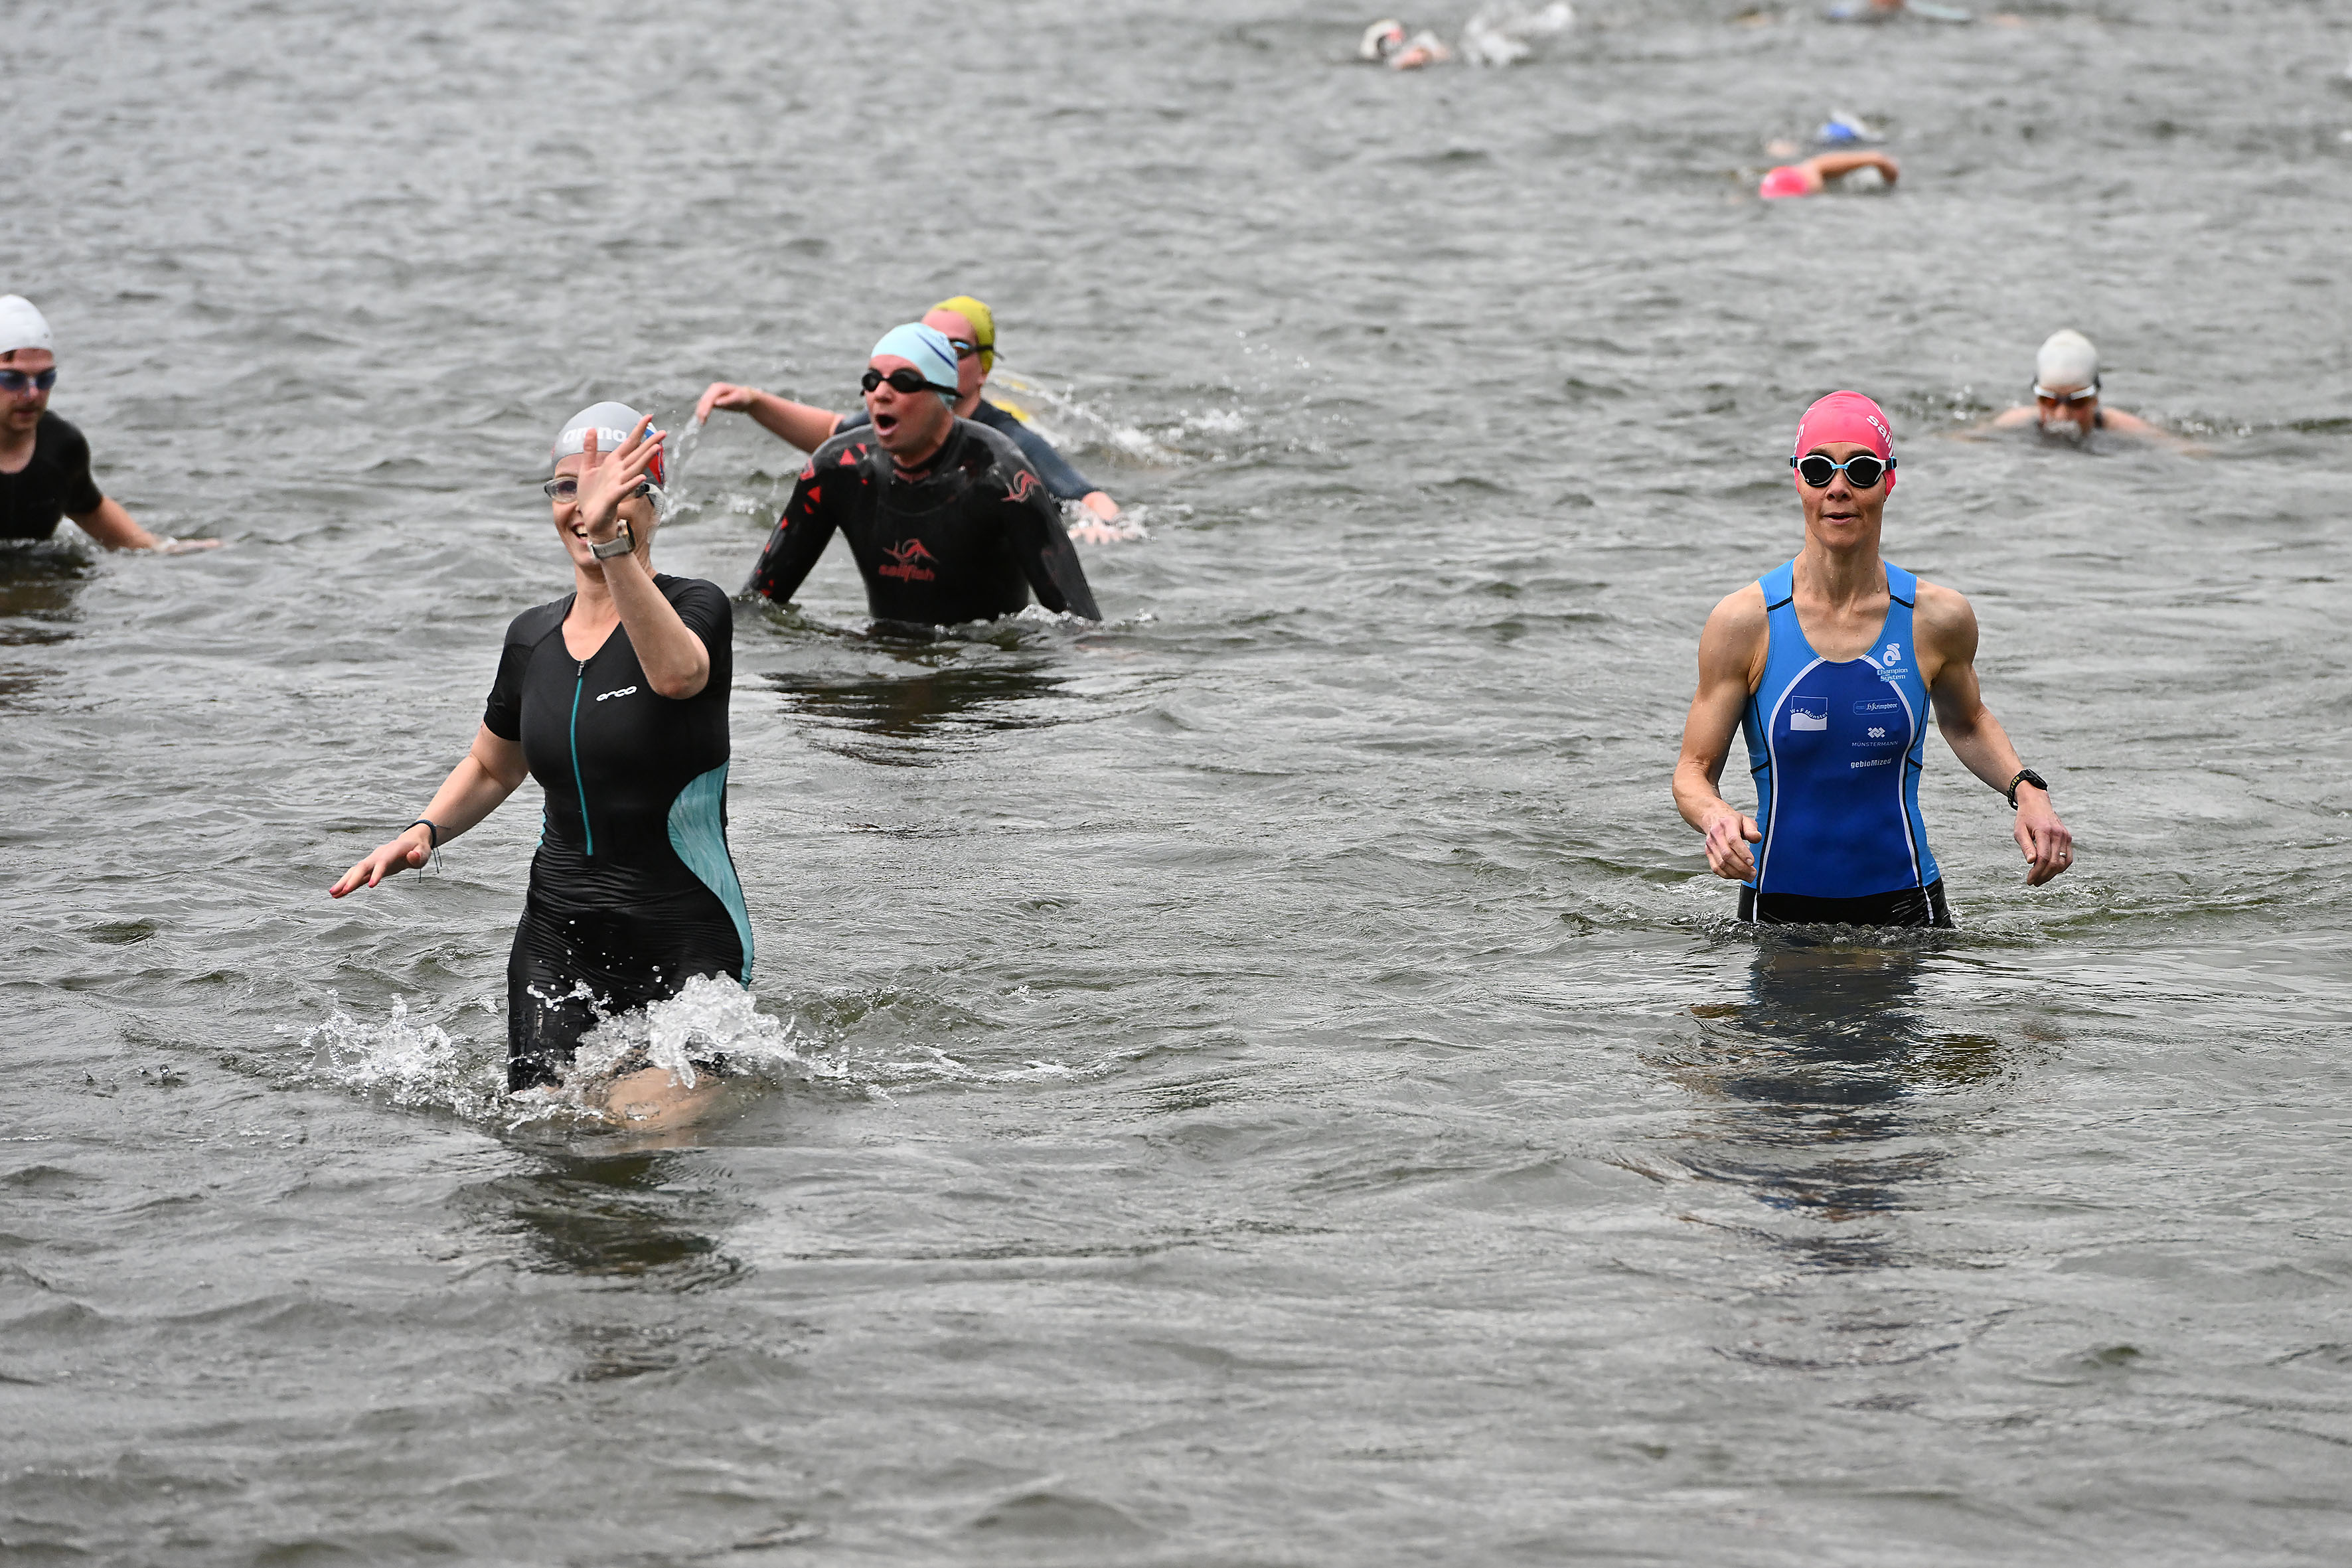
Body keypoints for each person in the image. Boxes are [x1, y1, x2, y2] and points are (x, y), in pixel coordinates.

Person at [331, 404, 751, 1123]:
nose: (586, 507)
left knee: (644, 1132)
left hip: (688, 937)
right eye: (568, 489)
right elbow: (494, 766)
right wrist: (424, 830)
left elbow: (677, 676)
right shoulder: (532, 638)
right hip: (559, 943)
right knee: (544, 1139)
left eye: (612, 488)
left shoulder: (696, 607)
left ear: (653, 503)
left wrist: (612, 546)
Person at [1672, 391, 2075, 927]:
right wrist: (1715, 816)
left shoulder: (1935, 618)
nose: (1838, 488)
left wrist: (2027, 790)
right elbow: (1693, 771)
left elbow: (1966, 721)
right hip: (1776, 912)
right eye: (1818, 470)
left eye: (1860, 470)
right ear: (1797, 480)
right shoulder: (1744, 622)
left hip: (1908, 910)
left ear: (1887, 480)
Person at [745, 323, 1101, 629]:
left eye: (904, 381)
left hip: (984, 668)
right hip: (882, 658)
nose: (881, 393)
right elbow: (756, 605)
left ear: (945, 395)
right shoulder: (836, 469)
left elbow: (1080, 626)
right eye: (872, 380)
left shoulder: (1001, 476)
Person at [695, 295, 1130, 540]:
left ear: (983, 368)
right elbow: (833, 435)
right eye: (927, 343)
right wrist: (754, 401)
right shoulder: (900, 421)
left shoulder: (1005, 440)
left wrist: (1102, 527)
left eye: (954, 349)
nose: (938, 357)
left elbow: (1089, 497)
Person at [0, 296, 219, 553]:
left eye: (45, 378)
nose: (32, 394)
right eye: (13, 379)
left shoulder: (61, 446)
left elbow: (95, 513)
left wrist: (167, 549)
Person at [1987, 329, 2173, 445]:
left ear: (2095, 400)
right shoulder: (2012, 422)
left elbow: (2180, 449)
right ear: (2037, 400)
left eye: (2077, 402)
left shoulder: (2126, 428)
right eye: (2050, 401)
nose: (2062, 415)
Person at [1759, 151, 1899, 200]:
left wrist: (1876, 160)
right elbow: (1814, 166)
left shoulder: (1807, 176)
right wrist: (1877, 160)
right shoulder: (1811, 180)